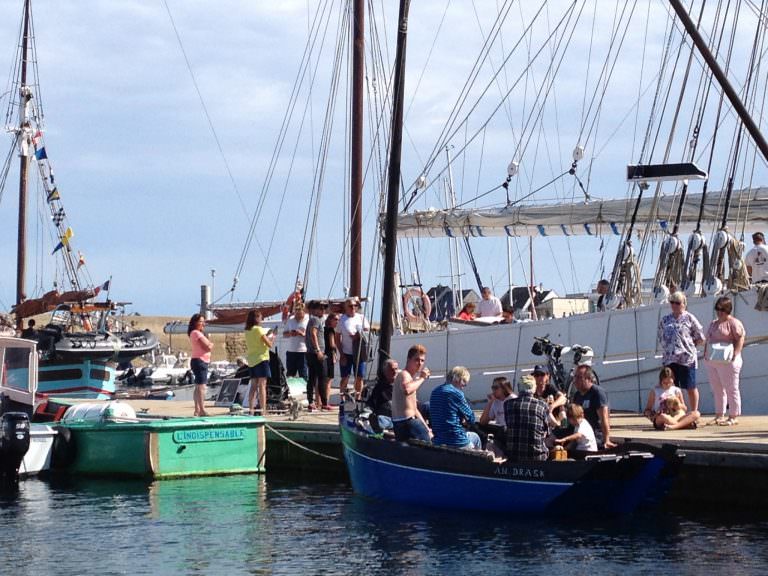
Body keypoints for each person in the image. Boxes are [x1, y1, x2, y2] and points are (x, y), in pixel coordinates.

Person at [658, 291, 705, 413]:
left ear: (684, 304)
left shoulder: (689, 318)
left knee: (690, 386)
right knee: (672, 387)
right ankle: (675, 411)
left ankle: (694, 411)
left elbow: (700, 336)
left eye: (677, 303)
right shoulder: (665, 320)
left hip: (686, 358)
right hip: (670, 358)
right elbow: (661, 336)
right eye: (672, 302)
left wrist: (689, 345)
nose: (674, 305)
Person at [703, 296, 746, 426]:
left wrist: (735, 354)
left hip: (728, 360)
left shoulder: (734, 323)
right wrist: (705, 353)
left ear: (728, 310)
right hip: (713, 359)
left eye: (722, 309)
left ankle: (733, 415)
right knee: (716, 388)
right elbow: (708, 339)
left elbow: (740, 338)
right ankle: (719, 414)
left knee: (731, 388)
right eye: (717, 309)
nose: (719, 312)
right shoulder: (713, 323)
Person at [430, 366, 481, 450]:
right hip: (457, 441)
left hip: (438, 439)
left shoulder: (435, 391)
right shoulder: (456, 393)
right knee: (475, 437)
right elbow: (471, 418)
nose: (463, 387)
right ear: (458, 379)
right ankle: (479, 461)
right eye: (464, 383)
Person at [503, 374, 551, 461]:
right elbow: (547, 433)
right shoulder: (542, 405)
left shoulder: (507, 404)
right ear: (534, 388)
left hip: (513, 456)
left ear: (519, 388)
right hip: (537, 457)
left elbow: (508, 425)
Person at [391, 345, 431, 442]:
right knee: (430, 448)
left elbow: (414, 409)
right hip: (407, 422)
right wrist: (422, 378)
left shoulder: (410, 379)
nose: (420, 363)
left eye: (422, 361)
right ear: (409, 359)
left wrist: (426, 428)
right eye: (417, 360)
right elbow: (407, 389)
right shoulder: (404, 374)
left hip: (404, 423)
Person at [571, 365, 616, 449]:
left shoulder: (597, 393)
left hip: (595, 436)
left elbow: (604, 418)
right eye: (575, 377)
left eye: (579, 377)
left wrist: (607, 440)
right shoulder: (577, 395)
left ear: (588, 379)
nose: (575, 381)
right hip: (580, 434)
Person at [643, 366, 699, 430]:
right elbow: (647, 410)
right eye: (665, 383)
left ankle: (673, 426)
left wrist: (678, 405)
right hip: (664, 416)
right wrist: (652, 416)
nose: (667, 385)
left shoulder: (676, 390)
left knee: (696, 413)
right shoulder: (655, 391)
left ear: (673, 380)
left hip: (676, 416)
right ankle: (683, 425)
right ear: (661, 381)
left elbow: (684, 408)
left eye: (670, 383)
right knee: (662, 417)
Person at [338, 298, 370, 400]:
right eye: (350, 306)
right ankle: (342, 398)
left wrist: (357, 335)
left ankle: (358, 397)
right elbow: (337, 337)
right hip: (347, 352)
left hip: (359, 352)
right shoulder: (342, 320)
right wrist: (341, 354)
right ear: (346, 308)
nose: (353, 308)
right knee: (345, 377)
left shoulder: (361, 317)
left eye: (354, 306)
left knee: (359, 376)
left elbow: (366, 329)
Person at [245, 309, 275, 416]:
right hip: (261, 359)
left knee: (253, 386)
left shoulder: (248, 330)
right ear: (257, 318)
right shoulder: (259, 329)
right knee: (262, 385)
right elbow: (269, 344)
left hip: (252, 360)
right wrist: (272, 337)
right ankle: (263, 410)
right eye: (261, 317)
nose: (262, 320)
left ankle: (251, 410)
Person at [304, 301, 330, 411]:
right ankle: (324, 403)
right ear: (314, 310)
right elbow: (313, 333)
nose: (323, 311)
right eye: (321, 308)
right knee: (322, 377)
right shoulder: (315, 320)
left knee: (312, 378)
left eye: (324, 308)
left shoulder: (313, 320)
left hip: (310, 353)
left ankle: (311, 401)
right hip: (316, 353)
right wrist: (318, 350)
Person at [187, 313, 214, 417]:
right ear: (195, 323)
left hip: (198, 360)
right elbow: (207, 347)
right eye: (201, 321)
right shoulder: (196, 333)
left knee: (198, 386)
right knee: (202, 386)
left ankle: (197, 409)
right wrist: (211, 344)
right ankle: (202, 409)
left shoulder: (195, 333)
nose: (203, 324)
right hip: (200, 361)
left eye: (203, 321)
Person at [283, 302, 308, 381]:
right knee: (290, 374)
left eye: (299, 311)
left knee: (303, 373)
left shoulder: (308, 320)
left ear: (304, 311)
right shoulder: (290, 320)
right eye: (296, 311)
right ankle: (290, 390)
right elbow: (284, 334)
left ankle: (304, 391)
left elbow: (312, 335)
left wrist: (302, 334)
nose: (297, 314)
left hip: (303, 351)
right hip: (291, 351)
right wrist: (290, 333)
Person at [323, 312, 339, 407]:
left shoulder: (323, 329)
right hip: (329, 354)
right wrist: (335, 353)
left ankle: (321, 401)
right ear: (330, 320)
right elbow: (332, 344)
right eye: (335, 319)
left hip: (324, 354)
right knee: (328, 380)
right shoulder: (331, 330)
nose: (337, 322)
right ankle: (326, 401)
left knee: (322, 379)